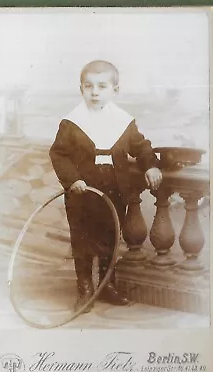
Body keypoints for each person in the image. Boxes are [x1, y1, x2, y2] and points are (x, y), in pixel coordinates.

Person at [49, 60, 162, 313]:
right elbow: (59, 154)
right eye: (88, 86)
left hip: (114, 189)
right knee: (82, 240)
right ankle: (85, 288)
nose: (95, 92)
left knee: (111, 238)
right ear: (81, 89)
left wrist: (151, 166)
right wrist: (72, 180)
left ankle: (107, 285)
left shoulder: (123, 121)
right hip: (82, 191)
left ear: (115, 90)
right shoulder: (72, 122)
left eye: (102, 86)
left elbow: (141, 147)